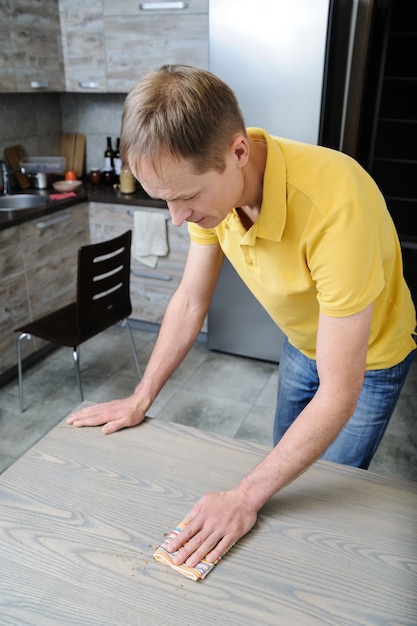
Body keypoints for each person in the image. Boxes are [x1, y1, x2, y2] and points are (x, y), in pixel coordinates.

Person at [67, 64, 416, 568]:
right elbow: (190, 300)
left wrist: (242, 496)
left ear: (237, 152)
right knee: (282, 479)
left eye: (185, 198)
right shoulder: (207, 193)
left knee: (322, 507)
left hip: (372, 360)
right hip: (302, 342)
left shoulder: (337, 205)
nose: (177, 218)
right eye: (164, 200)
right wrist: (140, 397)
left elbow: (341, 390)